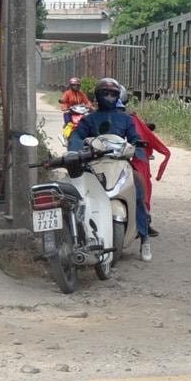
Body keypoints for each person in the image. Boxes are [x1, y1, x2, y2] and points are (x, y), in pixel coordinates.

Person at [69, 77, 152, 261]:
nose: (108, 96)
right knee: (80, 194)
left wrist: (138, 147)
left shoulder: (126, 119)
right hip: (94, 164)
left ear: (118, 96)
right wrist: (74, 150)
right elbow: (77, 137)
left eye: (112, 94)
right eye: (104, 93)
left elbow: (134, 137)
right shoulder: (88, 120)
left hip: (120, 162)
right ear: (98, 96)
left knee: (138, 191)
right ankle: (78, 234)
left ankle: (145, 239)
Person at [131, 118, 171, 238]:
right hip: (138, 164)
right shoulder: (135, 124)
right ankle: (144, 225)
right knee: (143, 194)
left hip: (131, 163)